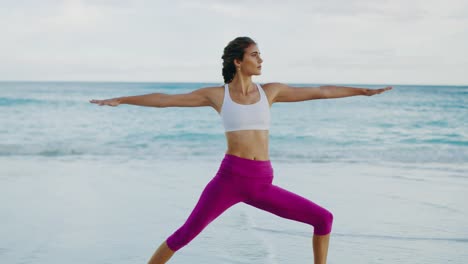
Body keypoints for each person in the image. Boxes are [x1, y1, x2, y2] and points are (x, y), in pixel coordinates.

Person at [90, 36, 392, 264]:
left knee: (323, 219)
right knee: (184, 235)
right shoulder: (216, 95)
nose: (261, 60)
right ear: (238, 61)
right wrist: (123, 99)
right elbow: (165, 99)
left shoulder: (270, 91)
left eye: (260, 55)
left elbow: (322, 92)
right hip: (229, 180)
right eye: (255, 55)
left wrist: (360, 91)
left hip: (261, 183)